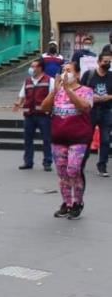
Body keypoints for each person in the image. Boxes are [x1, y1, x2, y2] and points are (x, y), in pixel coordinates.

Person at [39, 62, 94, 220]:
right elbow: (44, 107)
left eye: (68, 71)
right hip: (58, 138)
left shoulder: (86, 91)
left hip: (78, 138)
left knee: (73, 170)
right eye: (63, 70)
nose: (65, 73)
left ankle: (78, 202)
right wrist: (54, 91)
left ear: (77, 74)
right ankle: (66, 203)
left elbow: (84, 107)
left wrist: (69, 90)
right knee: (62, 173)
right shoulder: (58, 91)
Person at [13, 59, 55, 171]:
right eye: (31, 66)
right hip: (29, 115)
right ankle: (28, 162)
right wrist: (18, 103)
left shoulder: (49, 80)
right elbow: (22, 96)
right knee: (28, 139)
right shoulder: (27, 81)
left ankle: (47, 162)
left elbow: (53, 96)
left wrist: (50, 108)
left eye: (33, 66)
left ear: (40, 68)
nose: (31, 68)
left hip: (43, 115)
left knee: (46, 139)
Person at [83, 50, 112, 177]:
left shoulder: (111, 76)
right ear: (99, 61)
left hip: (106, 111)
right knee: (86, 138)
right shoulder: (89, 75)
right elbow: (79, 91)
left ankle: (102, 165)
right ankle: (81, 163)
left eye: (110, 62)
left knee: (105, 139)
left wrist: (109, 97)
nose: (108, 64)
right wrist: (90, 97)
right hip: (91, 111)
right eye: (105, 61)